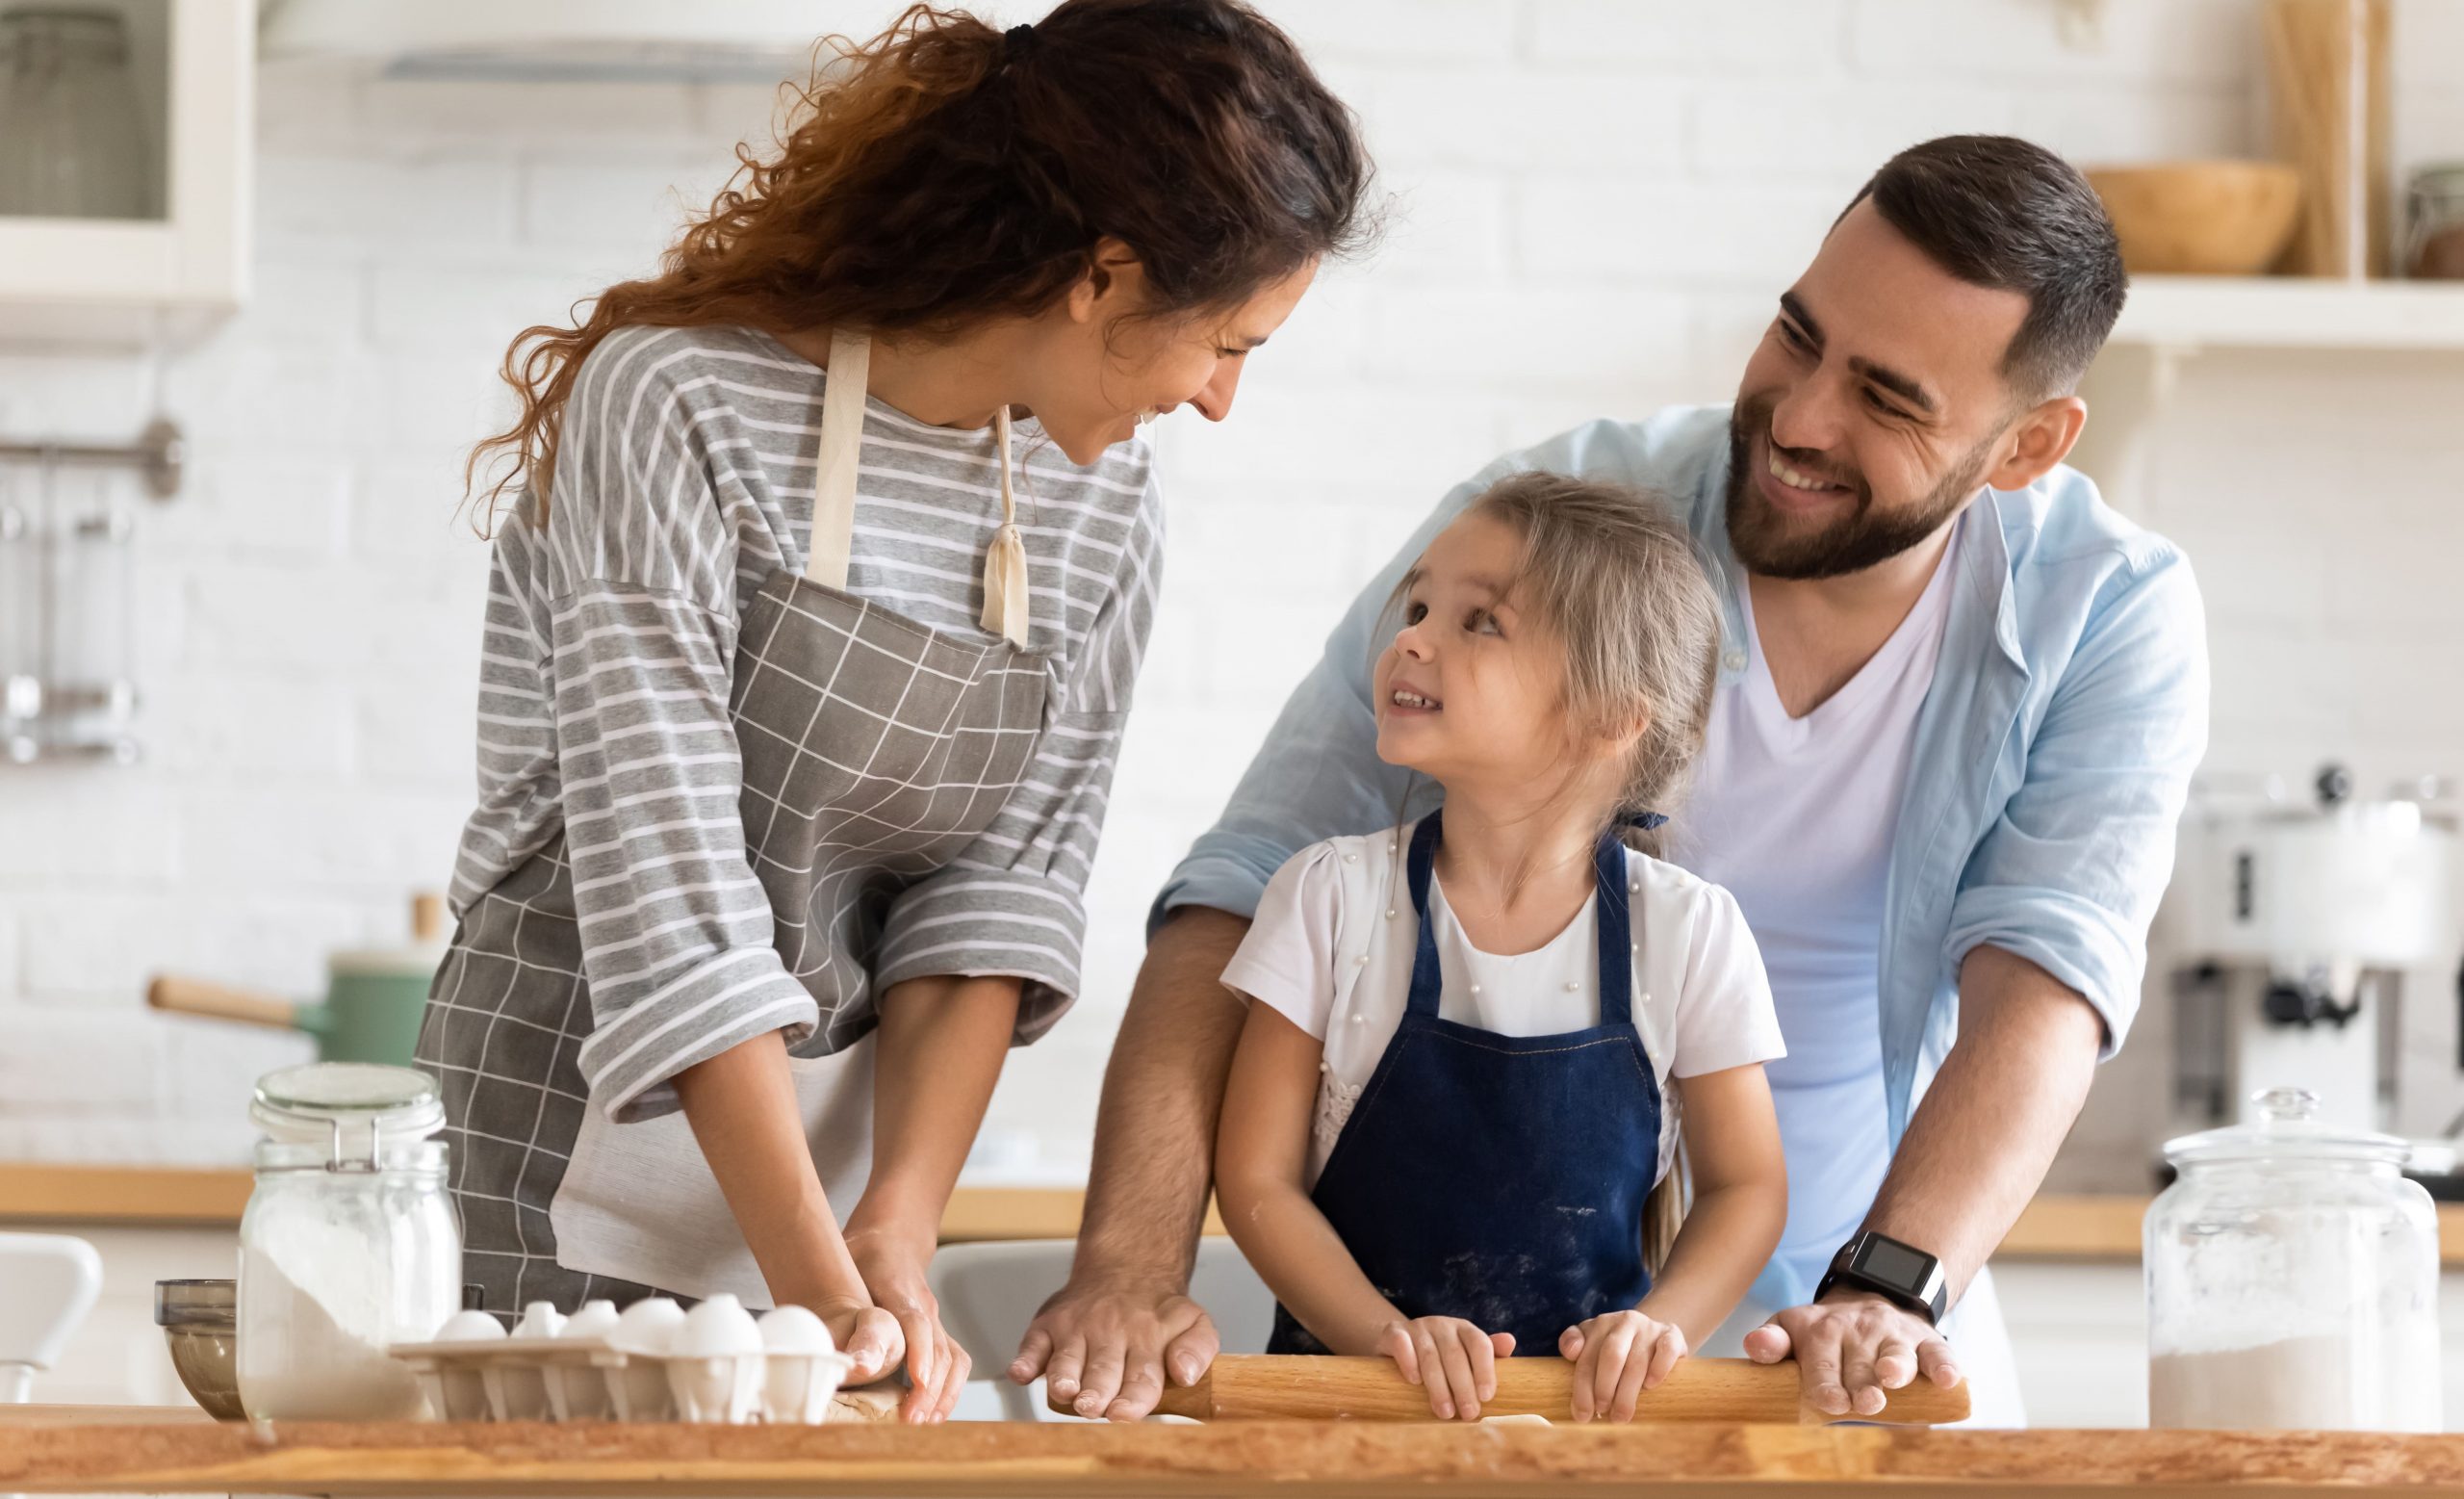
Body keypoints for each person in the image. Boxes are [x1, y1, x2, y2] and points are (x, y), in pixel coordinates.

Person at [1014, 135, 2208, 1428]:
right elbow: (1242, 888)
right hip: (1482, 1374)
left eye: (1889, 398)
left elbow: (2043, 985)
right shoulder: (1563, 527)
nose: (1800, 419)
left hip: (1860, 1339)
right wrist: (1130, 1274)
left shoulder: (2108, 612)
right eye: (1795, 336)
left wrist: (1890, 1288)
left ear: (2028, 445)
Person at [414, 0, 1372, 1424]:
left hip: (832, 1192)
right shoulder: (676, 403)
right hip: (558, 1154)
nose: (1222, 400)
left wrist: (892, 1230)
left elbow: (999, 893)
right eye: (1225, 343)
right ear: (1105, 276)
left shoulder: (1100, 502)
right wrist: (818, 1273)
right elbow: (672, 893)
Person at [1212, 475, 1789, 1423]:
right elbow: (1256, 1180)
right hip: (1338, 1426)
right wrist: (1386, 1341)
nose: (1413, 635)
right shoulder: (1326, 897)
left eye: (1481, 622)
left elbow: (1746, 1186)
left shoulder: (1686, 931)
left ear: (1610, 716)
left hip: (1581, 1443)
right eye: (1421, 603)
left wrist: (1663, 1327)